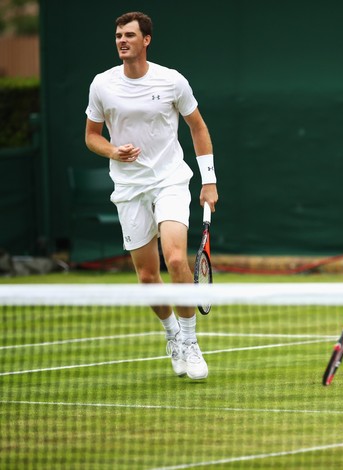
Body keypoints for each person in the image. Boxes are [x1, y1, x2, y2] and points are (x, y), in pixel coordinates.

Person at [84, 12, 218, 379]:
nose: (121, 40)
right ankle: (172, 334)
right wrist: (113, 151)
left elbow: (198, 127)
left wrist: (209, 180)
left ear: (146, 40)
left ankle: (190, 342)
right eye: (117, 35)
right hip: (129, 188)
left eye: (129, 35)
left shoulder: (172, 81)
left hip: (170, 180)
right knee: (147, 277)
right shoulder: (102, 85)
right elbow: (91, 135)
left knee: (175, 260)